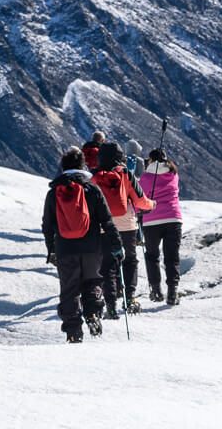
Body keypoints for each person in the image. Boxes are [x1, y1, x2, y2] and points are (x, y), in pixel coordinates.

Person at [42, 146, 123, 343]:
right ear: (83, 166)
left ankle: (73, 332)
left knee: (69, 289)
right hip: (91, 248)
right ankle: (93, 313)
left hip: (65, 249)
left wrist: (51, 249)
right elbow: (106, 220)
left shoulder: (54, 192)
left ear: (63, 168)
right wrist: (116, 245)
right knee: (93, 281)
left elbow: (47, 225)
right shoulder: (92, 189)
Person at [90, 142, 155, 318]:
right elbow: (140, 200)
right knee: (130, 261)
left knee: (107, 267)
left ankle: (110, 306)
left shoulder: (95, 178)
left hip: (105, 228)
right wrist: (152, 205)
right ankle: (130, 299)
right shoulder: (126, 174)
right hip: (128, 226)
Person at [139, 148, 182, 306]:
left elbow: (141, 199)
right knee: (172, 256)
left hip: (151, 221)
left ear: (151, 161)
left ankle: (156, 290)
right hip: (173, 218)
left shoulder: (146, 178)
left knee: (152, 256)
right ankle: (173, 292)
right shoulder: (173, 174)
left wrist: (138, 214)